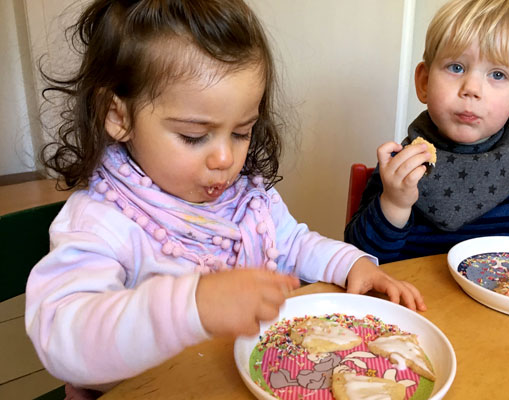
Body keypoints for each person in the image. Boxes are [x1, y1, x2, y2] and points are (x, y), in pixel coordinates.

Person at [25, 0, 425, 396]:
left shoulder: (248, 199)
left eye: (241, 133)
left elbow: (293, 243)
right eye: (194, 136)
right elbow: (62, 340)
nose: (225, 158)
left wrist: (351, 263)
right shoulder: (101, 220)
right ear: (118, 116)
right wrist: (190, 305)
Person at [345, 0, 509, 263]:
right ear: (424, 82)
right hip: (416, 301)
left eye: (497, 75)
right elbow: (360, 259)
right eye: (457, 67)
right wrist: (394, 204)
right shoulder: (401, 166)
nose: (472, 88)